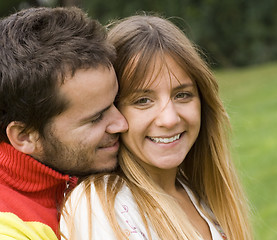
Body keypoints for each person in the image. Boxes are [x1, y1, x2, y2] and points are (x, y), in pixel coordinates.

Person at [61, 15, 252, 240]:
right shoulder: (101, 203)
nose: (169, 119)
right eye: (143, 100)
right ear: (114, 111)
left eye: (182, 95)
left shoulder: (198, 194)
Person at [0, 7, 128, 240]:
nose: (122, 124)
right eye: (96, 118)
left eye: (117, 102)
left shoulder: (78, 163)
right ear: (25, 136)